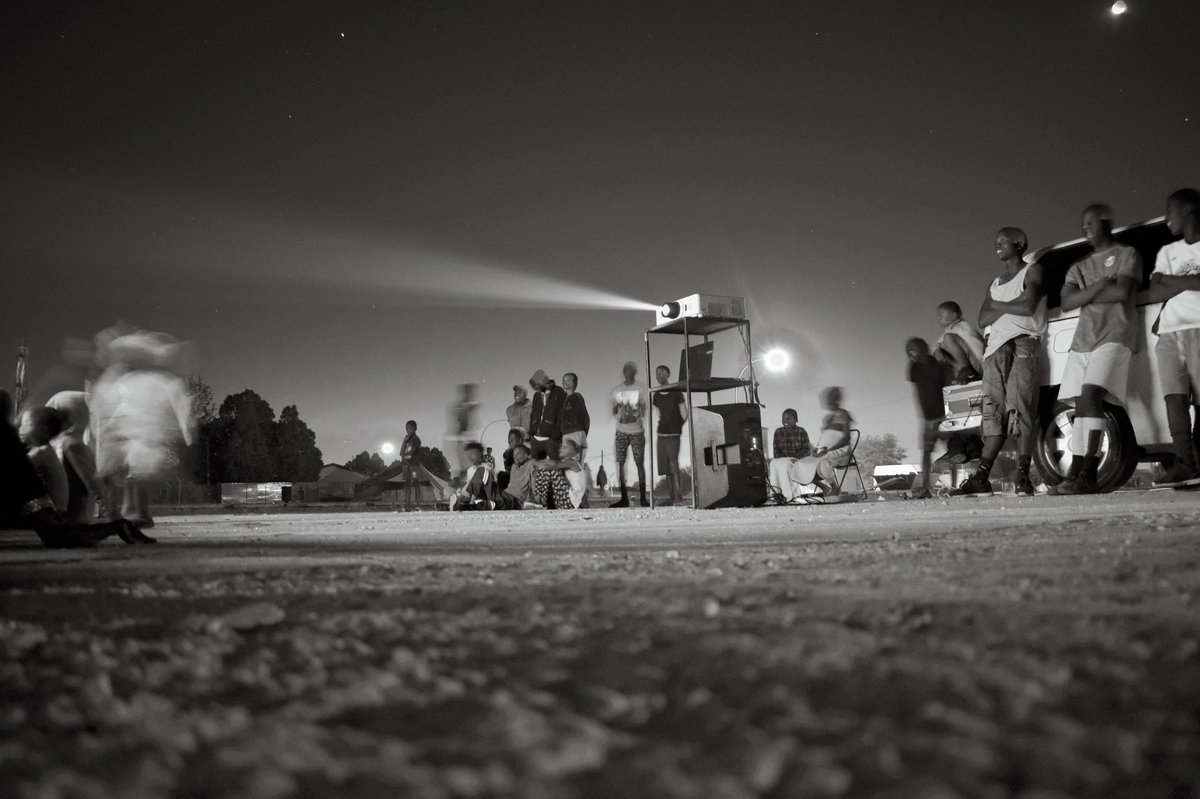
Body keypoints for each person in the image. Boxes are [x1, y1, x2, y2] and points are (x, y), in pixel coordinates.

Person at [1048, 203, 1141, 495]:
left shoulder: (1126, 254)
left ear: (1105, 222)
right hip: (1082, 341)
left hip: (1115, 334)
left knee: (1091, 396)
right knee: (1080, 404)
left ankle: (1088, 473)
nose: (1085, 228)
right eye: (1083, 223)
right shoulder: (1078, 266)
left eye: (1090, 222)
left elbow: (1122, 291)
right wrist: (1101, 286)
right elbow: (1067, 302)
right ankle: (1076, 472)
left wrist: (1086, 294)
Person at [955, 226, 1048, 497]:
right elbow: (982, 319)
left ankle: (1023, 476)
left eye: (1003, 242)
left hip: (1023, 342)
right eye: (995, 242)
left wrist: (998, 306)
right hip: (995, 348)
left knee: (1021, 409)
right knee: (992, 414)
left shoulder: (1033, 271)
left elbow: (1029, 306)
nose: (997, 245)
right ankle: (982, 477)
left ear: (1019, 243)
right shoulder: (994, 283)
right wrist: (1011, 304)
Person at [0, 395, 144, 548]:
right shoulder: (56, 444)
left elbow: (93, 483)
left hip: (57, 513)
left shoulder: (66, 444)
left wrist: (114, 518)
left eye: (25, 424)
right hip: (49, 511)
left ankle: (114, 527)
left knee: (56, 533)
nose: (20, 427)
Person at [1147, 189, 1200, 487]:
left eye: (1171, 211)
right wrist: (1189, 282)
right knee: (1174, 399)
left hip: (1197, 327)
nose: (1167, 217)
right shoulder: (1168, 252)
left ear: (1188, 210)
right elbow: (1155, 292)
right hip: (1168, 332)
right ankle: (1185, 463)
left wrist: (1169, 280)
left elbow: (1163, 284)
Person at [46, 391, 119, 524]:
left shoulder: (53, 442)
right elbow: (94, 483)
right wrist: (114, 518)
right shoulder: (72, 444)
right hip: (72, 519)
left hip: (58, 517)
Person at [788, 387, 855, 499]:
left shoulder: (843, 414)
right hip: (824, 450)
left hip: (839, 451)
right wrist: (817, 448)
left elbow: (846, 438)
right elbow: (824, 437)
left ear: (837, 400)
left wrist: (829, 450)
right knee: (799, 465)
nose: (829, 403)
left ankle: (835, 487)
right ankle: (824, 487)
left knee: (822, 464)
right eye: (828, 400)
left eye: (832, 399)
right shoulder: (828, 418)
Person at [906, 338, 945, 499]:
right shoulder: (913, 368)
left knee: (953, 448)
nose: (912, 354)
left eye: (914, 350)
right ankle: (925, 486)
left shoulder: (937, 364)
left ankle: (955, 485)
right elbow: (918, 392)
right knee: (926, 451)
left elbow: (945, 384)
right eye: (909, 351)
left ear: (924, 349)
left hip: (943, 414)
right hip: (927, 417)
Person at [610, 360, 650, 507]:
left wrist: (639, 407)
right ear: (624, 372)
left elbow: (645, 410)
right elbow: (614, 411)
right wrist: (617, 406)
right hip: (621, 430)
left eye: (631, 370)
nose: (628, 372)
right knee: (621, 463)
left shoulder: (641, 388)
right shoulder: (617, 390)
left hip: (637, 431)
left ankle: (643, 498)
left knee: (639, 463)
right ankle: (624, 498)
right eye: (626, 370)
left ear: (635, 372)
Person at [19, 406, 70, 513]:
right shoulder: (46, 450)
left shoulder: (42, 452)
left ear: (44, 430)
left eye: (27, 424)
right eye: (21, 424)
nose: (20, 429)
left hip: (52, 513)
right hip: (53, 510)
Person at [652, 365, 689, 505]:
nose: (659, 375)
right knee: (665, 467)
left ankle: (678, 498)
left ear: (668, 374)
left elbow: (684, 414)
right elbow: (659, 414)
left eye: (662, 372)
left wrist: (677, 426)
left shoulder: (676, 393)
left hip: (673, 434)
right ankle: (671, 497)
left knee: (673, 464)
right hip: (661, 433)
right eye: (657, 373)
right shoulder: (656, 396)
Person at [767, 407, 813, 504]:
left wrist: (794, 457)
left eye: (789, 418)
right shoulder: (778, 432)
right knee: (773, 463)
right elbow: (776, 451)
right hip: (782, 459)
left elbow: (807, 451)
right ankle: (776, 494)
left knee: (786, 464)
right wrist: (784, 458)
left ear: (795, 420)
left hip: (797, 460)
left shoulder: (801, 431)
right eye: (783, 418)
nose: (785, 421)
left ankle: (790, 495)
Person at [530, 438, 588, 510]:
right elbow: (550, 463)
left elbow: (554, 465)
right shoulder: (564, 463)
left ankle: (541, 500)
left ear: (575, 453)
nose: (561, 449)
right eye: (561, 447)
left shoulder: (573, 463)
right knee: (542, 470)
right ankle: (541, 499)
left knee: (551, 470)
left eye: (565, 447)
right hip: (564, 499)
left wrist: (534, 462)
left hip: (570, 501)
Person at [935, 301, 985, 383]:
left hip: (981, 364)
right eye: (937, 315)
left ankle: (968, 371)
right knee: (939, 351)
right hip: (974, 364)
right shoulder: (950, 330)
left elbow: (977, 348)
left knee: (948, 339)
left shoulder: (963, 327)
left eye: (941, 314)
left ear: (953, 316)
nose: (938, 317)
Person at [528, 369, 566, 460]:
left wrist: (556, 435)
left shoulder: (559, 392)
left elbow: (562, 415)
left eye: (536, 385)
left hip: (551, 439)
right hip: (535, 439)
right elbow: (533, 414)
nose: (535, 388)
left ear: (543, 382)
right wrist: (531, 432)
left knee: (556, 465)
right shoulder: (537, 395)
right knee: (535, 466)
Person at [445, 383, 480, 482]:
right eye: (470, 392)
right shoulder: (463, 406)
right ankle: (461, 485)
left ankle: (463, 485)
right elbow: (461, 421)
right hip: (463, 440)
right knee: (466, 468)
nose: (472, 395)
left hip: (465, 440)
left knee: (469, 467)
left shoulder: (465, 406)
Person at [449, 442, 495, 510]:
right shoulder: (470, 470)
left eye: (473, 454)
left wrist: (471, 500)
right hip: (471, 496)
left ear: (480, 455)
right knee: (456, 496)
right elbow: (468, 485)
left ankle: (469, 505)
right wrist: (459, 492)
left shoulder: (486, 468)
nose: (470, 457)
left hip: (483, 496)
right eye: (468, 454)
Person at [560, 372, 590, 463]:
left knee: (577, 464)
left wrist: (582, 433)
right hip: (565, 435)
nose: (565, 382)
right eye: (564, 380)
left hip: (576, 433)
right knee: (566, 465)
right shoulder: (562, 401)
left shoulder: (576, 397)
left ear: (574, 383)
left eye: (568, 380)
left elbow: (585, 417)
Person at [494, 443, 536, 510]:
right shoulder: (514, 466)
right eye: (514, 454)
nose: (514, 456)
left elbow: (534, 485)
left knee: (497, 501)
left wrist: (535, 500)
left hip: (516, 499)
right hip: (506, 494)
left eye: (518, 454)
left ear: (526, 454)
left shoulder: (531, 464)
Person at [398, 420, 421, 511]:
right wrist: (404, 441)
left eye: (410, 428)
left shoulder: (416, 440)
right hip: (406, 465)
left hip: (414, 466)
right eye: (407, 428)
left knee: (416, 483)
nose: (408, 430)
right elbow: (401, 452)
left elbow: (412, 452)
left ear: (415, 429)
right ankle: (407, 505)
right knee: (407, 485)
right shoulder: (406, 440)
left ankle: (418, 505)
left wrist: (405, 456)